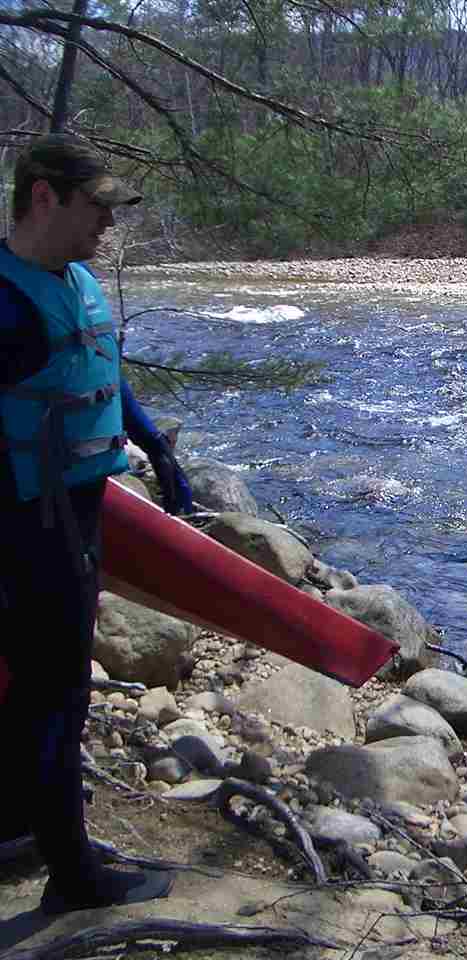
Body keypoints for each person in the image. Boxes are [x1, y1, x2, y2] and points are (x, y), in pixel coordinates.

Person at [0, 134, 186, 915]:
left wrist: (157, 453)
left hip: (78, 510)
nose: (106, 223)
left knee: (37, 692)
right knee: (58, 695)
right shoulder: (5, 304)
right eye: (95, 206)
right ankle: (72, 878)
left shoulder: (71, 281)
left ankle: (14, 823)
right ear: (43, 197)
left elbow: (102, 370)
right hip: (28, 524)